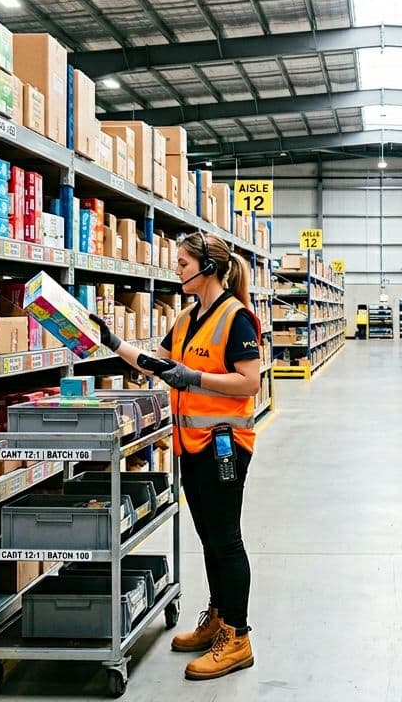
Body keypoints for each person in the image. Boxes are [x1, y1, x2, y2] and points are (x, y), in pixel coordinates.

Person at [90, 231, 262, 681]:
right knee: (209, 538)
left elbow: (249, 382)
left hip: (224, 447)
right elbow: (158, 363)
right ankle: (219, 618)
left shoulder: (236, 318)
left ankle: (238, 637)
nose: (177, 270)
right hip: (191, 445)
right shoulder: (187, 318)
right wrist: (113, 343)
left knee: (226, 539)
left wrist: (195, 378)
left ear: (208, 268)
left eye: (183, 263)